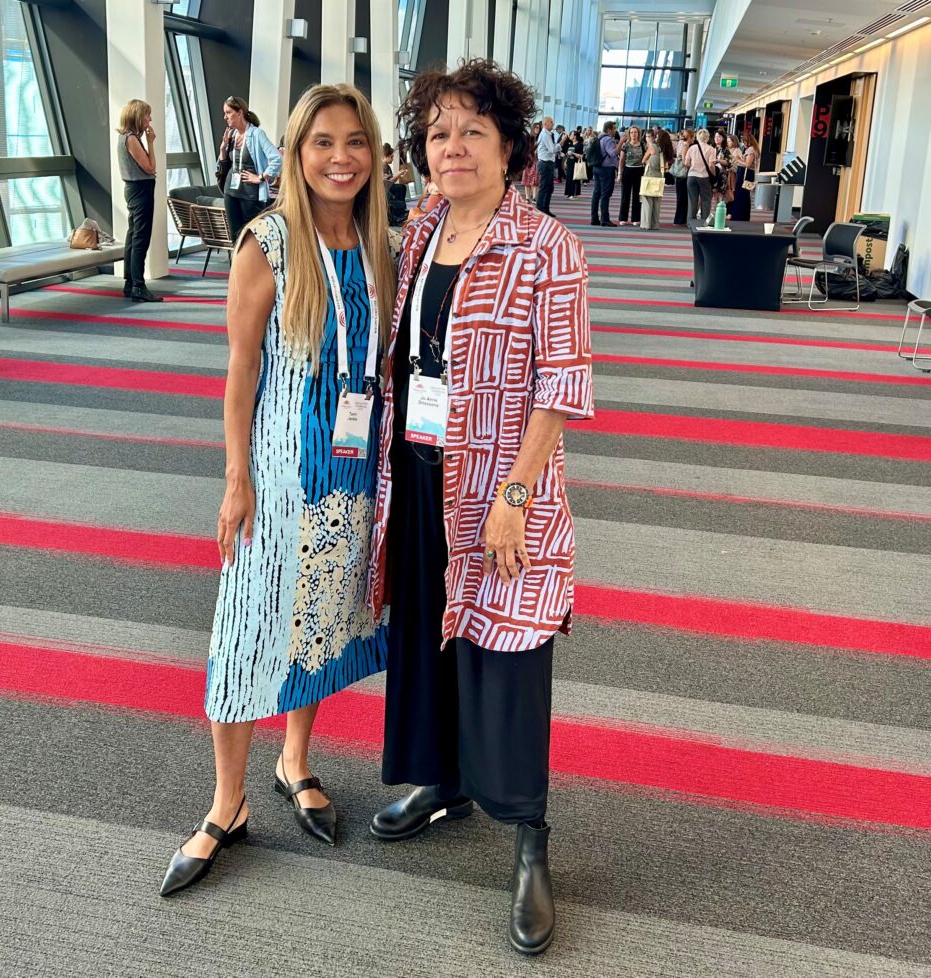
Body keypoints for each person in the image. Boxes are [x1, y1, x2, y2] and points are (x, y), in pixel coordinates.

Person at [366, 58, 593, 957]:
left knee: (508, 651)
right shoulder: (421, 231)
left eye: (471, 132)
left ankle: (528, 834)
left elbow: (562, 384)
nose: (451, 148)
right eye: (437, 133)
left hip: (499, 485)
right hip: (419, 469)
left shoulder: (546, 247)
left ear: (510, 148)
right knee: (427, 627)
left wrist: (514, 492)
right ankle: (439, 780)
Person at [159, 83, 395, 898]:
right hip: (278, 477)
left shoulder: (377, 244)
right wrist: (236, 481)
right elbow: (242, 369)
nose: (341, 157)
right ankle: (227, 805)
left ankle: (296, 759)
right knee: (246, 633)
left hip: (352, 471)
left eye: (355, 142)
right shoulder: (269, 241)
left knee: (321, 621)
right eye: (323, 142)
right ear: (295, 153)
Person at [217, 96, 283, 243]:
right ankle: (236, 266)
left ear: (239, 112)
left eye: (228, 112)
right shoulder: (232, 134)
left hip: (250, 194)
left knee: (251, 237)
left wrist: (260, 177)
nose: (225, 117)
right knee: (235, 236)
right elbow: (225, 162)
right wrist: (223, 149)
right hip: (231, 191)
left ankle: (252, 265)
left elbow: (277, 158)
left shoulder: (257, 134)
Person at [116, 99, 162, 303]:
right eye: (147, 115)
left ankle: (130, 283)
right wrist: (151, 143)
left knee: (133, 235)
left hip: (134, 189)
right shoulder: (132, 139)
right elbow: (150, 167)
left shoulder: (125, 137)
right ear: (137, 116)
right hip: (140, 190)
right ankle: (138, 286)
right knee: (140, 238)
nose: (150, 119)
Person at [639, 130, 674, 231]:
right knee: (656, 202)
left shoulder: (653, 147)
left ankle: (646, 224)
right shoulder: (667, 150)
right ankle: (655, 224)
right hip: (660, 177)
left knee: (647, 200)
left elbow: (643, 160)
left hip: (650, 176)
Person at [685, 128, 717, 222]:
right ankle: (704, 221)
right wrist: (713, 175)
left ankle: (691, 222)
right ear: (707, 138)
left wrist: (692, 168)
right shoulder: (711, 149)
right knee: (706, 200)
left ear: (697, 138)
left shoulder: (692, 148)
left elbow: (686, 163)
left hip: (692, 176)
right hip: (704, 177)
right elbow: (711, 165)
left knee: (692, 200)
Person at [590, 121, 619, 226]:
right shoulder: (608, 139)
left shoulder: (599, 138)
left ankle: (594, 218)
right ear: (609, 130)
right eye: (614, 128)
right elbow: (613, 153)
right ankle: (605, 219)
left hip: (597, 167)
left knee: (596, 193)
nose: (615, 130)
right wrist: (621, 143)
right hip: (606, 169)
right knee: (605, 194)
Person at [617, 125, 645, 225]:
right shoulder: (626, 145)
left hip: (639, 171)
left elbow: (646, 158)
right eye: (632, 132)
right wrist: (619, 173)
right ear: (629, 134)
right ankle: (623, 218)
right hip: (628, 170)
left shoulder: (642, 145)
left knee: (637, 196)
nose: (634, 134)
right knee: (625, 195)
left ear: (639, 134)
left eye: (636, 132)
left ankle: (636, 218)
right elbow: (621, 160)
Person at [730, 130, 759, 221]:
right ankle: (743, 215)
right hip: (749, 174)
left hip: (745, 174)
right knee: (745, 195)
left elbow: (748, 164)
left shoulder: (750, 150)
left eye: (744, 141)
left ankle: (740, 215)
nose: (743, 143)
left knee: (741, 195)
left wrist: (738, 159)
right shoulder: (754, 149)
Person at [535, 115, 557, 216]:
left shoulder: (549, 134)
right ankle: (540, 209)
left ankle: (545, 208)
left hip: (549, 163)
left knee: (549, 188)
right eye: (551, 122)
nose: (553, 124)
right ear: (545, 123)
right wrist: (561, 143)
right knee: (544, 187)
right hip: (545, 163)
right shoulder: (545, 134)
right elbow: (552, 149)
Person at [671, 128, 692, 226]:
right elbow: (684, 161)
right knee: (682, 197)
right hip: (682, 173)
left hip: (677, 172)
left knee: (680, 196)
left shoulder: (680, 143)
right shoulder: (685, 145)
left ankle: (680, 219)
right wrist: (691, 165)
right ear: (690, 137)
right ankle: (679, 219)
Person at [711, 130, 735, 211]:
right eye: (715, 137)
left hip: (721, 176)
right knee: (711, 196)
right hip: (711, 174)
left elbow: (729, 162)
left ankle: (718, 214)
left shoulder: (725, 150)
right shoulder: (711, 148)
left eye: (719, 137)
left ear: (723, 138)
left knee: (719, 197)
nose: (716, 138)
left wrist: (718, 160)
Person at [521, 122, 541, 204]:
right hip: (529, 160)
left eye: (539, 128)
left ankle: (534, 198)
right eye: (536, 127)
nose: (537, 129)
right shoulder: (529, 137)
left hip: (537, 160)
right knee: (527, 179)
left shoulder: (540, 137)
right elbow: (525, 149)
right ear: (533, 128)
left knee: (535, 180)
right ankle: (527, 198)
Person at [563, 128, 584, 198]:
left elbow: (581, 155)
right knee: (568, 178)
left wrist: (573, 153)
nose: (570, 136)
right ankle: (569, 193)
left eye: (571, 134)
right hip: (570, 163)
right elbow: (568, 154)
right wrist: (566, 161)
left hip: (576, 164)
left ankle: (574, 194)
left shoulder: (579, 144)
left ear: (575, 136)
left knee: (575, 178)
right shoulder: (570, 144)